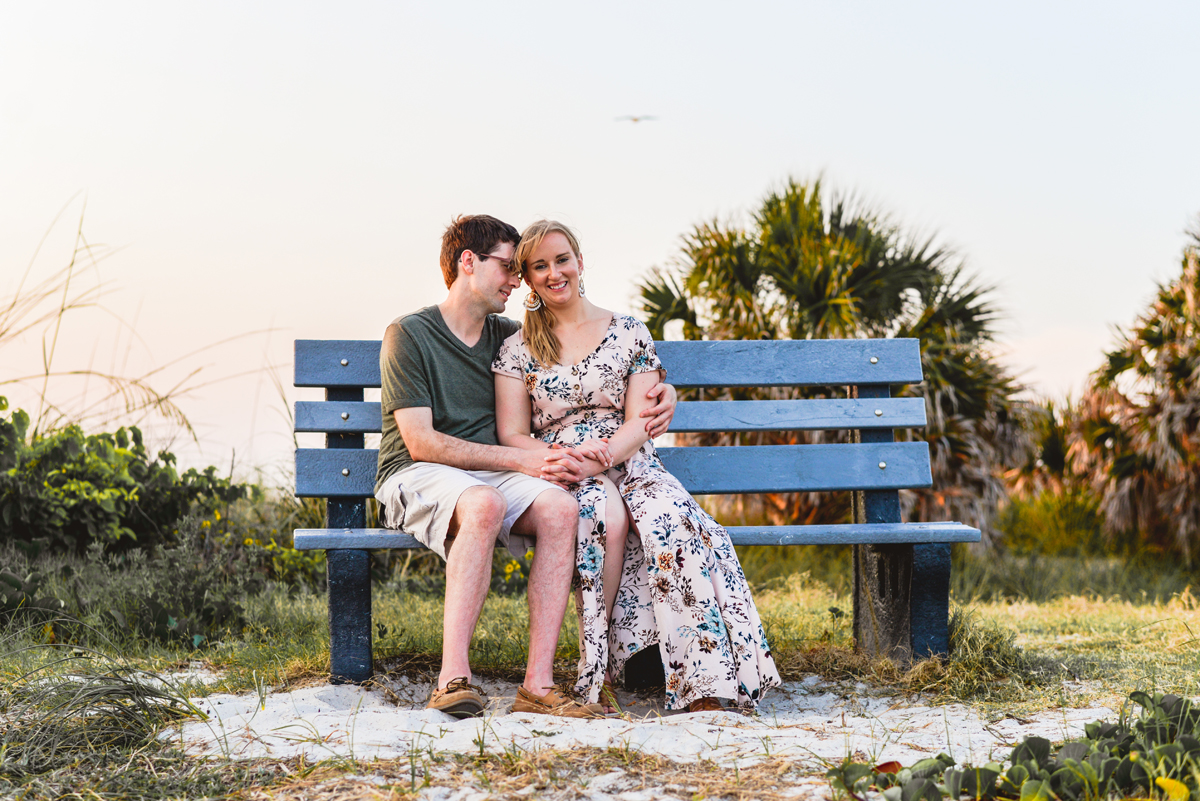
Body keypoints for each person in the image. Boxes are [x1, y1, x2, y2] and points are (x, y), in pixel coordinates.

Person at [374, 214, 677, 720]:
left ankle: (537, 685)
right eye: (508, 268)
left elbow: (586, 358)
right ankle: (454, 678)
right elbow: (421, 442)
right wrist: (523, 460)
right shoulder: (409, 334)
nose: (518, 282)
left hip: (492, 472)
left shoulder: (511, 337)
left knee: (562, 510)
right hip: (417, 472)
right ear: (467, 262)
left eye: (520, 271)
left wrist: (668, 392)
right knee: (484, 503)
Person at [493, 220, 781, 714]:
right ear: (529, 278)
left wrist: (604, 455)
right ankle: (595, 671)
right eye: (539, 266)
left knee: (673, 520)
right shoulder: (518, 348)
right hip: (561, 468)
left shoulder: (627, 331)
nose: (553, 273)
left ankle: (706, 680)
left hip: (629, 459)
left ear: (580, 263)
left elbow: (643, 419)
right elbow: (512, 433)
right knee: (603, 515)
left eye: (562, 260)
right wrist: (562, 461)